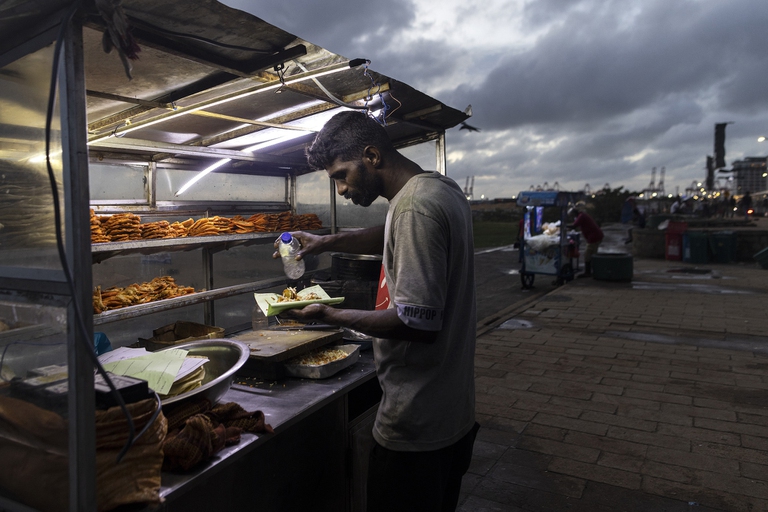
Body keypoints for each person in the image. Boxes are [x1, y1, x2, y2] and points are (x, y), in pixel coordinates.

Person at [274, 111, 479, 512]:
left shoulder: (414, 209)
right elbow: (390, 231)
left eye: (341, 175)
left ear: (371, 156)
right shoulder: (437, 190)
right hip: (451, 413)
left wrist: (329, 316)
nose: (341, 190)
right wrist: (324, 243)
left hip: (416, 425)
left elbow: (417, 323)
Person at [567, 202, 603, 278]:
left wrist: (562, 226)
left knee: (587, 254)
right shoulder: (582, 215)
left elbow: (574, 225)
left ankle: (588, 272)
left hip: (594, 237)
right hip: (596, 236)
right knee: (592, 255)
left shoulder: (581, 216)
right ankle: (594, 271)